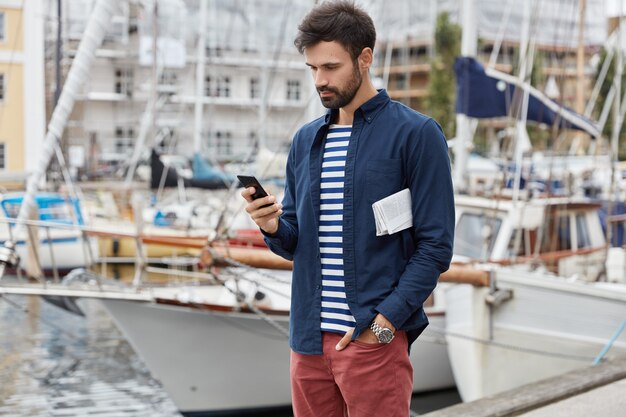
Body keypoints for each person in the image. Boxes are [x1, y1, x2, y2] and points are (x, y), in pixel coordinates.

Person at [241, 1, 454, 416]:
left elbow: (435, 247)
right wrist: (271, 226)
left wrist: (383, 324)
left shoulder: (417, 135)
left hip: (372, 341)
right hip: (307, 343)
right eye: (313, 69)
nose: (320, 80)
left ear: (365, 58)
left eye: (331, 67)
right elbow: (295, 241)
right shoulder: (306, 141)